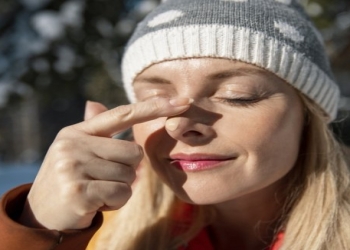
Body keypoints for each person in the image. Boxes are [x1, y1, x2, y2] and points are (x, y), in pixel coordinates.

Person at [1, 0, 349, 249]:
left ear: (309, 114)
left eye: (236, 94)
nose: (180, 125)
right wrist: (39, 232)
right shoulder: (99, 233)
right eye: (154, 98)